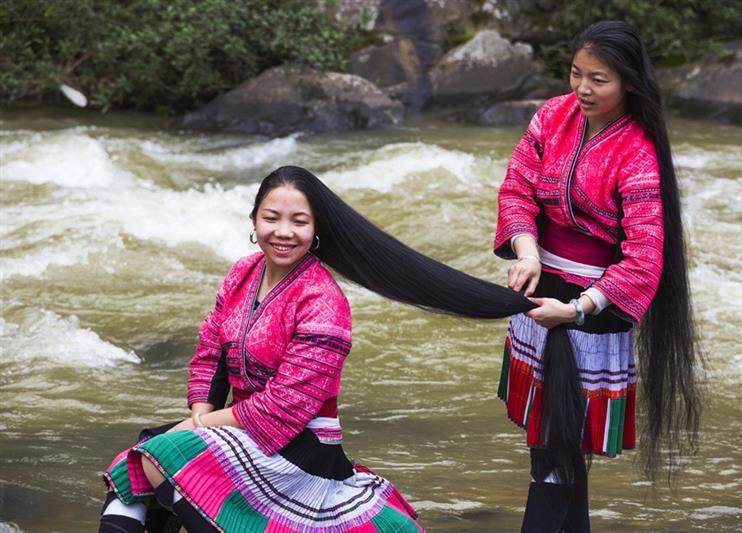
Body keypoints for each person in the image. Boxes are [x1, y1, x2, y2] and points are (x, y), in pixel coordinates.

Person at [99, 165, 536, 533]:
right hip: (234, 427)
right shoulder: (241, 273)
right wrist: (198, 412)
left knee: (161, 458)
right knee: (130, 468)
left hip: (300, 444)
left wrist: (198, 427)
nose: (283, 232)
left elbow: (286, 408)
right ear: (254, 221)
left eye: (299, 222)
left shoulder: (324, 300)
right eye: (271, 218)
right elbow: (210, 352)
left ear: (316, 229)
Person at [493, 20, 701, 532]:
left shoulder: (638, 153)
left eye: (599, 79)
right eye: (575, 73)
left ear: (629, 81)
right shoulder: (552, 115)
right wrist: (526, 250)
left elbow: (644, 260)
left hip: (593, 308)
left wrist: (579, 309)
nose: (582, 88)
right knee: (549, 449)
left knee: (560, 449)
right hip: (539, 292)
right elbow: (516, 189)